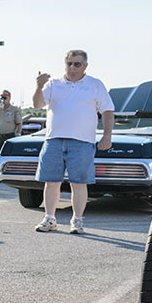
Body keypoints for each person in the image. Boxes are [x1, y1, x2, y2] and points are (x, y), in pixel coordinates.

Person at [32, 50, 114, 234]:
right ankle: (50, 219)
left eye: (77, 64)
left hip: (82, 141)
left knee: (79, 183)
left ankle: (77, 220)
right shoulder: (53, 84)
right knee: (51, 182)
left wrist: (107, 136)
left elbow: (107, 111)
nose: (72, 68)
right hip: (53, 139)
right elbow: (38, 104)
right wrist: (39, 86)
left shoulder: (95, 85)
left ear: (85, 66)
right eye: (69, 63)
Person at [0, 89, 22, 160]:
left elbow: (19, 123)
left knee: (8, 156)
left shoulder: (14, 109)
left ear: (9, 98)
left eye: (5, 98)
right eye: (2, 98)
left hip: (9, 136)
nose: (3, 100)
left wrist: (18, 134)